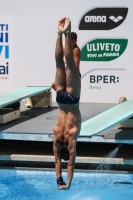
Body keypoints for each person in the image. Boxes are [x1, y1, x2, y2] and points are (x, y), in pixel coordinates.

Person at [53, 17, 81, 190]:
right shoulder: (56, 134)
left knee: (68, 66)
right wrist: (59, 181)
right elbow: (57, 161)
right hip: (60, 100)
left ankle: (66, 32)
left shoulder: (72, 135)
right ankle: (58, 33)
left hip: (71, 99)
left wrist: (68, 184)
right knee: (58, 65)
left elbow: (70, 165)